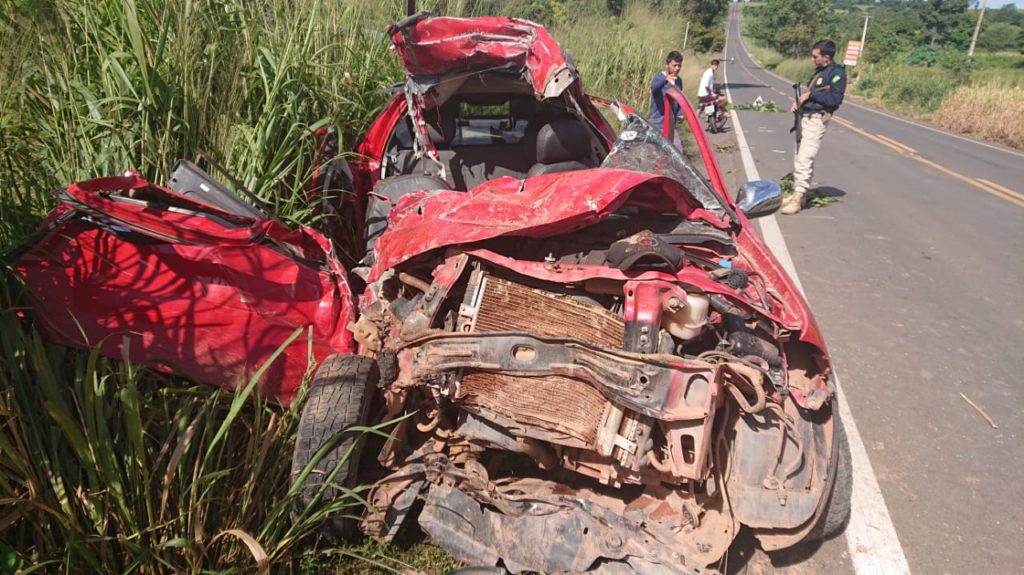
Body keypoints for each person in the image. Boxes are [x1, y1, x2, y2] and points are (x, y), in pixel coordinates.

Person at [782, 39, 847, 215]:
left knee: (804, 158)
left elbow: (834, 100)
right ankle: (800, 194)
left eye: (815, 56)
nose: (813, 59)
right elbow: (813, 96)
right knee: (798, 158)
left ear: (826, 56)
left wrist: (812, 94)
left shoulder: (837, 74)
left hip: (817, 119)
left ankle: (797, 200)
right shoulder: (820, 72)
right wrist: (799, 102)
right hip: (805, 117)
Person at [648, 51, 684, 147]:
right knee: (658, 151)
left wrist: (680, 113)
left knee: (677, 150)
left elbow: (679, 98)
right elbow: (654, 88)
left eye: (679, 65)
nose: (677, 68)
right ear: (667, 65)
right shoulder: (659, 78)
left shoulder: (679, 81)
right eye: (674, 65)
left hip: (671, 123)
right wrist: (665, 80)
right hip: (657, 123)